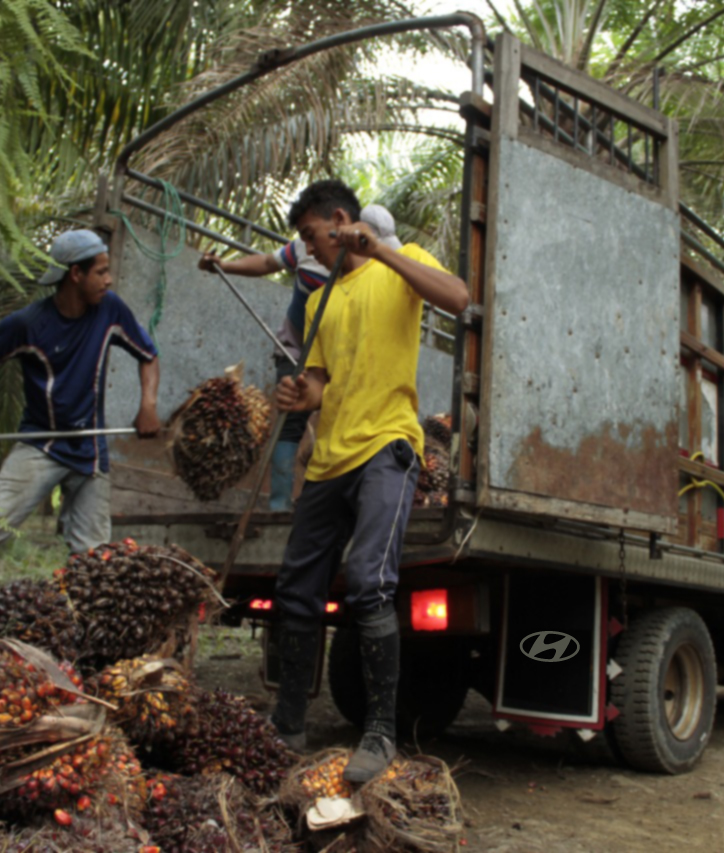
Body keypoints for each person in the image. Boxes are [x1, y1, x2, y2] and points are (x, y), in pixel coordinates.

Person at [269, 180, 469, 783]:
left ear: (339, 221)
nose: (307, 250)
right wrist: (298, 393)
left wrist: (381, 250)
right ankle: (287, 726)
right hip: (329, 459)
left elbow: (459, 298)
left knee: (368, 582)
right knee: (295, 588)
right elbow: (322, 384)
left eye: (310, 237)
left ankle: (380, 732)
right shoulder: (315, 303)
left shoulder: (397, 267)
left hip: (386, 446)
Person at [0, 229, 162, 558]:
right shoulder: (29, 324)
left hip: (90, 451)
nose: (109, 280)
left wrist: (148, 405)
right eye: (101, 272)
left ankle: (80, 606)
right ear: (75, 274)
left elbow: (149, 355)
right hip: (41, 444)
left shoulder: (110, 309)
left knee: (95, 558)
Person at [198, 204, 402, 511]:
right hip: (297, 351)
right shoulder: (309, 248)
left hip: (343, 360)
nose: (313, 247)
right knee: (291, 425)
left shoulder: (373, 267)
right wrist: (225, 266)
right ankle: (279, 505)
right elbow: (268, 261)